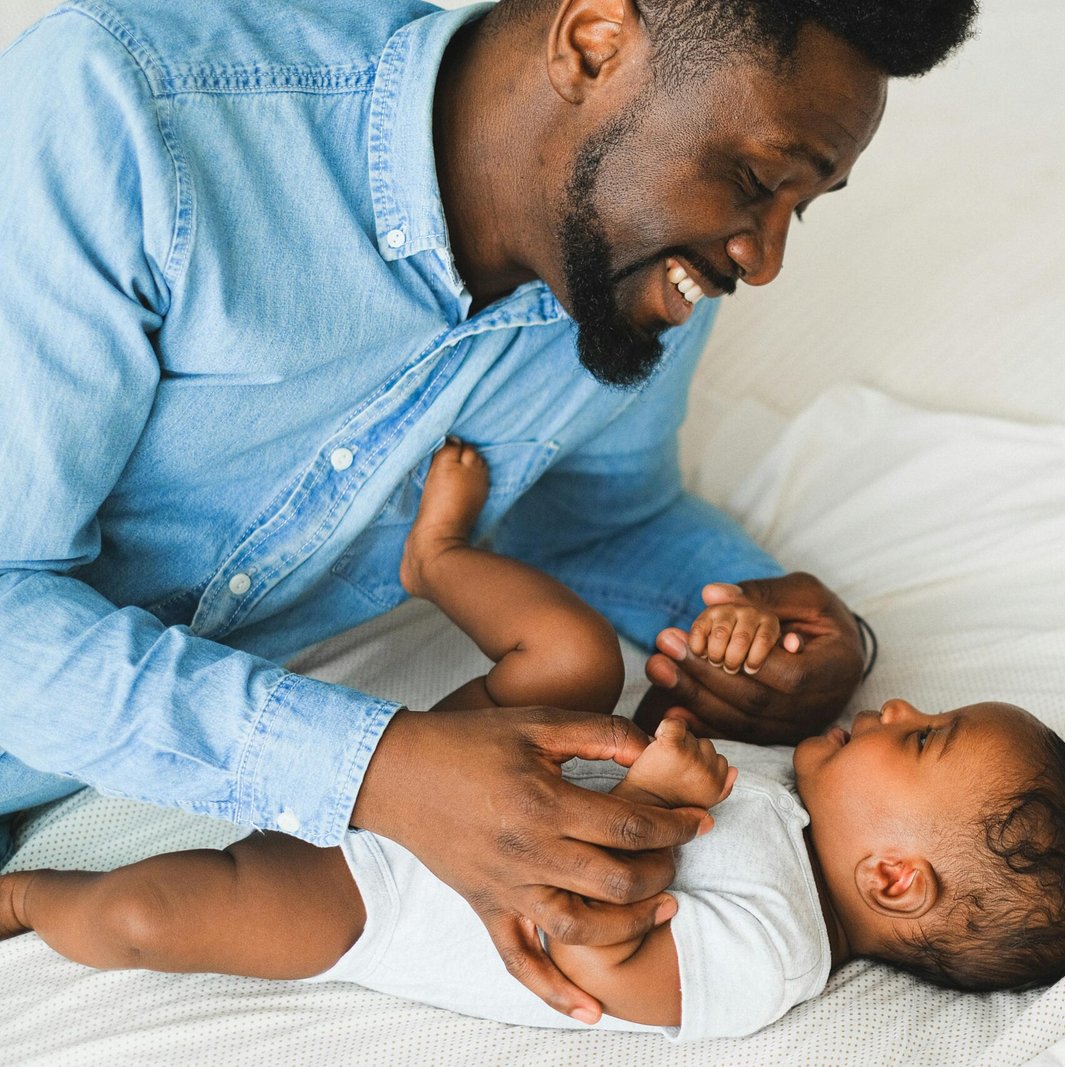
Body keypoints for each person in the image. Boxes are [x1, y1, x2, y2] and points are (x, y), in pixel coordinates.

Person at [0, 0, 977, 1023]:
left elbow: (595, 517)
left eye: (802, 207)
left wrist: (776, 627)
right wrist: (376, 768)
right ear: (594, 42)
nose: (764, 258)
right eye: (754, 178)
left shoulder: (643, 279)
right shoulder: (131, 112)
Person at [0, 442, 1065, 1040]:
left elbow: (594, 951)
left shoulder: (768, 962)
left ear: (892, 876)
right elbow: (661, 699)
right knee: (579, 657)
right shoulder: (793, 797)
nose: (896, 708)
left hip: (377, 893)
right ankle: (436, 557)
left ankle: (32, 897)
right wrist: (732, 638)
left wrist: (656, 778)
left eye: (924, 737)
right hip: (466, 763)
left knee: (149, 915)